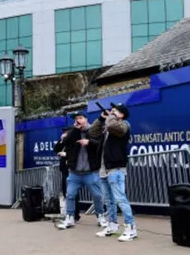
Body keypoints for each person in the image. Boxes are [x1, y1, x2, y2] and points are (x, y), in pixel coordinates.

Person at [89, 103, 137, 242]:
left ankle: (130, 228)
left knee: (120, 198)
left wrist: (110, 118)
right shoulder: (109, 126)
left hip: (116, 168)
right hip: (104, 169)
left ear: (121, 115)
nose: (111, 112)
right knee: (108, 200)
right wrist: (100, 118)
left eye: (115, 111)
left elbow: (111, 126)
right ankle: (112, 225)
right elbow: (92, 132)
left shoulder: (124, 125)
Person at [56, 111, 106, 230]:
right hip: (75, 172)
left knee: (97, 195)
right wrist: (75, 130)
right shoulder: (74, 132)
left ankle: (100, 216)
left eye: (80, 118)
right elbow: (66, 143)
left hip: (91, 171)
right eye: (76, 118)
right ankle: (70, 218)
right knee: (70, 195)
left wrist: (89, 142)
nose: (77, 120)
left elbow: (101, 144)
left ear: (86, 119)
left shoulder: (94, 130)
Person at [54, 126, 80, 221]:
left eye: (66, 132)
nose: (64, 134)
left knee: (72, 193)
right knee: (66, 193)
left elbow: (77, 154)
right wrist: (61, 140)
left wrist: (66, 155)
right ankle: (69, 214)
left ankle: (75, 214)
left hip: (72, 170)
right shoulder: (64, 142)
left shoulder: (75, 142)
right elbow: (56, 149)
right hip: (64, 170)